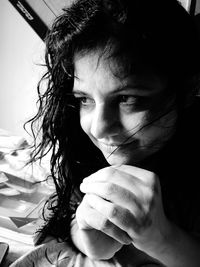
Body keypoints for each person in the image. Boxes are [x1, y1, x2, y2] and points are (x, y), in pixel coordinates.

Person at [28, 0, 200, 266]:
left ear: (188, 91)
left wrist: (161, 238)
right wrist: (89, 239)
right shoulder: (83, 152)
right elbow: (72, 216)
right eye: (84, 100)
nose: (98, 128)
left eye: (126, 98)